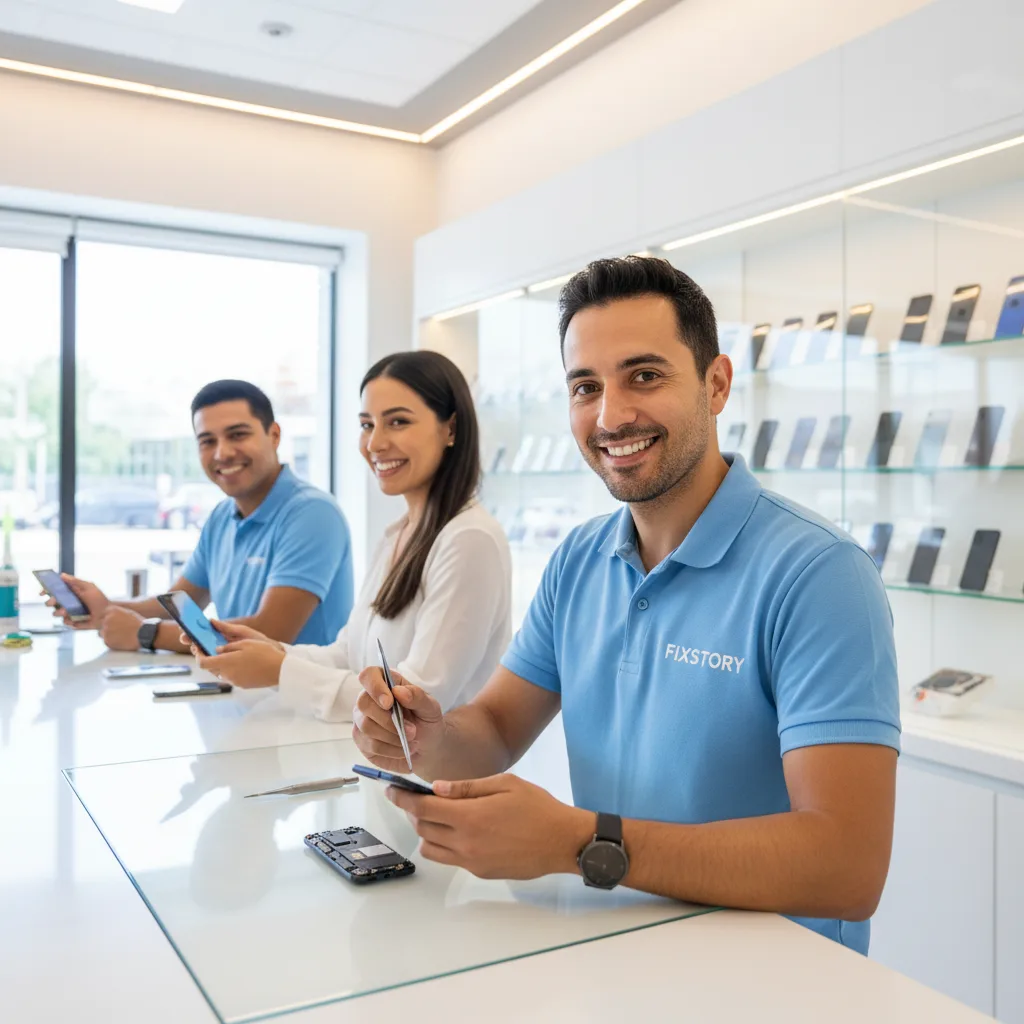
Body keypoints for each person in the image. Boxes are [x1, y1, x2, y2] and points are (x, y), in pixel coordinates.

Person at [351, 256, 901, 956]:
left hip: (775, 983)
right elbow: (491, 727)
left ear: (717, 383)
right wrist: (426, 736)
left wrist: (582, 842)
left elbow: (845, 866)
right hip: (615, 953)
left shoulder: (820, 575)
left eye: (644, 376)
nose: (611, 416)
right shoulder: (579, 560)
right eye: (586, 386)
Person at [192, 350, 512, 722]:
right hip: (378, 762)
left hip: (434, 777)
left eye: (397, 422)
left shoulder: (469, 540)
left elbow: (414, 699)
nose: (374, 444)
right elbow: (351, 654)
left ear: (451, 429)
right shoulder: (401, 534)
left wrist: (279, 670)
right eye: (367, 424)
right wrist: (269, 651)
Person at [50, 380, 353, 652]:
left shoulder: (313, 514)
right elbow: (180, 606)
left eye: (237, 435)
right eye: (208, 441)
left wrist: (146, 634)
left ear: (273, 435)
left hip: (302, 705)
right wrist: (104, 609)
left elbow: (270, 632)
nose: (222, 453)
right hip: (241, 695)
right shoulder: (223, 515)